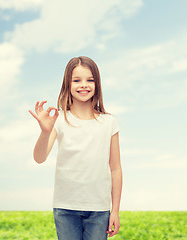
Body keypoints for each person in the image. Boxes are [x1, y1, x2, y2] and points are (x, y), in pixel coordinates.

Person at [29, 56, 123, 240]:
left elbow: (116, 168)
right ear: (67, 84)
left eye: (90, 80)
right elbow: (39, 158)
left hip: (99, 209)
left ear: (97, 84)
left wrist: (115, 210)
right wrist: (45, 131)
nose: (84, 85)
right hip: (65, 207)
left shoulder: (109, 122)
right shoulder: (60, 120)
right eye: (77, 80)